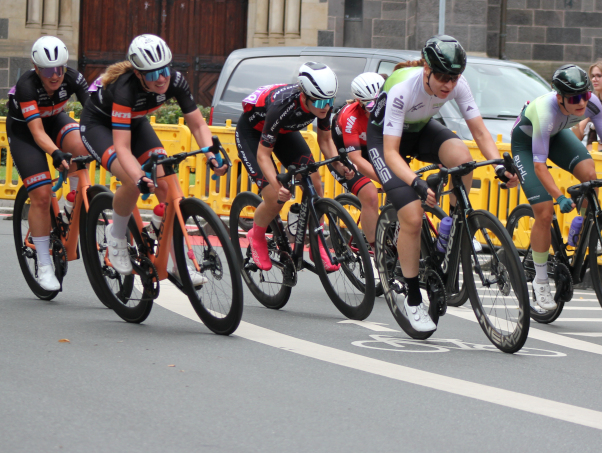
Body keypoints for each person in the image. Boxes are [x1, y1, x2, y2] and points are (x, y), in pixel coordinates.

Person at [367, 35, 519, 332]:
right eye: (441, 77)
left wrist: (500, 165)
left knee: (462, 158)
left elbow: (480, 132)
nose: (448, 85)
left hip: (421, 129)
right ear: (426, 69)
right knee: (412, 214)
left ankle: (452, 226)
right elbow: (390, 153)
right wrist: (416, 183)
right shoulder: (402, 90)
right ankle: (412, 300)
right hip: (385, 141)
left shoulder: (458, 86)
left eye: (454, 77)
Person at [80, 34, 228, 286]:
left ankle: (179, 263)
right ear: (138, 74)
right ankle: (115, 237)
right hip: (99, 127)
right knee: (130, 179)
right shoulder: (125, 89)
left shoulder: (176, 81)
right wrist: (139, 176)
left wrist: (211, 153)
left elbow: (197, 124)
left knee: (169, 187)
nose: (160, 79)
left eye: (164, 71)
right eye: (151, 74)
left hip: (135, 123)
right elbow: (122, 148)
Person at [510, 65, 602, 310]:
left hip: (557, 135)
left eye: (585, 96)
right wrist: (558, 196)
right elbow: (540, 166)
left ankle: (580, 229)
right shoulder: (546, 110)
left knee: (590, 176)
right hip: (526, 143)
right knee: (544, 211)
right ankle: (540, 280)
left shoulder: (592, 102)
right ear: (559, 98)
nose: (582, 103)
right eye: (575, 99)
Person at [236, 62, 354, 271]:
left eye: (330, 100)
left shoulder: (321, 102)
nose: (326, 107)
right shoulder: (282, 107)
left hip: (284, 133)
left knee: (316, 185)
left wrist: (340, 164)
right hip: (253, 135)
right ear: (304, 96)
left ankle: (316, 241)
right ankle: (257, 234)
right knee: (274, 196)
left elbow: (325, 141)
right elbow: (263, 155)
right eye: (320, 102)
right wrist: (277, 185)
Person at [7, 36, 92, 291]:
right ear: (36, 68)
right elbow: (37, 133)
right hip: (26, 133)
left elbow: (92, 117)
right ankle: (44, 263)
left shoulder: (73, 78)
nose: (54, 76)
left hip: (56, 120)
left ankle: (69, 204)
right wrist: (56, 153)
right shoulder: (26, 86)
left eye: (59, 69)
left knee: (81, 145)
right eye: (47, 70)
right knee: (42, 196)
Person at [330, 72, 385, 243]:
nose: (376, 113)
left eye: (381, 106)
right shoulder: (351, 117)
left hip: (371, 146)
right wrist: (386, 181)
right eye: (370, 108)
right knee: (370, 195)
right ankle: (377, 251)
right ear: (360, 104)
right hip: (345, 154)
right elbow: (357, 160)